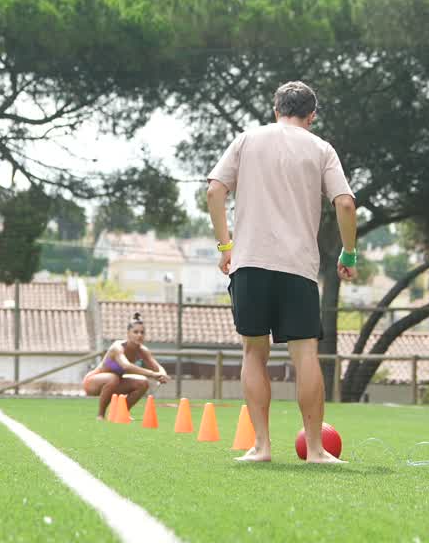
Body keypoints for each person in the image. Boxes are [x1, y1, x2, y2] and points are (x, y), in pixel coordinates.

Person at [206, 81, 358, 464]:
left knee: (253, 353)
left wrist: (226, 246)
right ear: (312, 115)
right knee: (305, 355)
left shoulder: (247, 140)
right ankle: (317, 450)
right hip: (298, 267)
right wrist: (350, 253)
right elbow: (345, 203)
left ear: (276, 109)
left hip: (250, 262)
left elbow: (214, 191)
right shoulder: (321, 148)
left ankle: (261, 447)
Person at [83, 313, 170, 420]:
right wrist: (153, 374)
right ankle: (100, 415)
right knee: (112, 378)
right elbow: (126, 366)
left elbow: (156, 367)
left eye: (142, 333)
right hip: (92, 383)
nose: (139, 335)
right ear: (128, 333)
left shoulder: (142, 350)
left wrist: (163, 374)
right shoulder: (117, 347)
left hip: (115, 383)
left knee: (143, 382)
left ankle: (121, 412)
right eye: (136, 332)